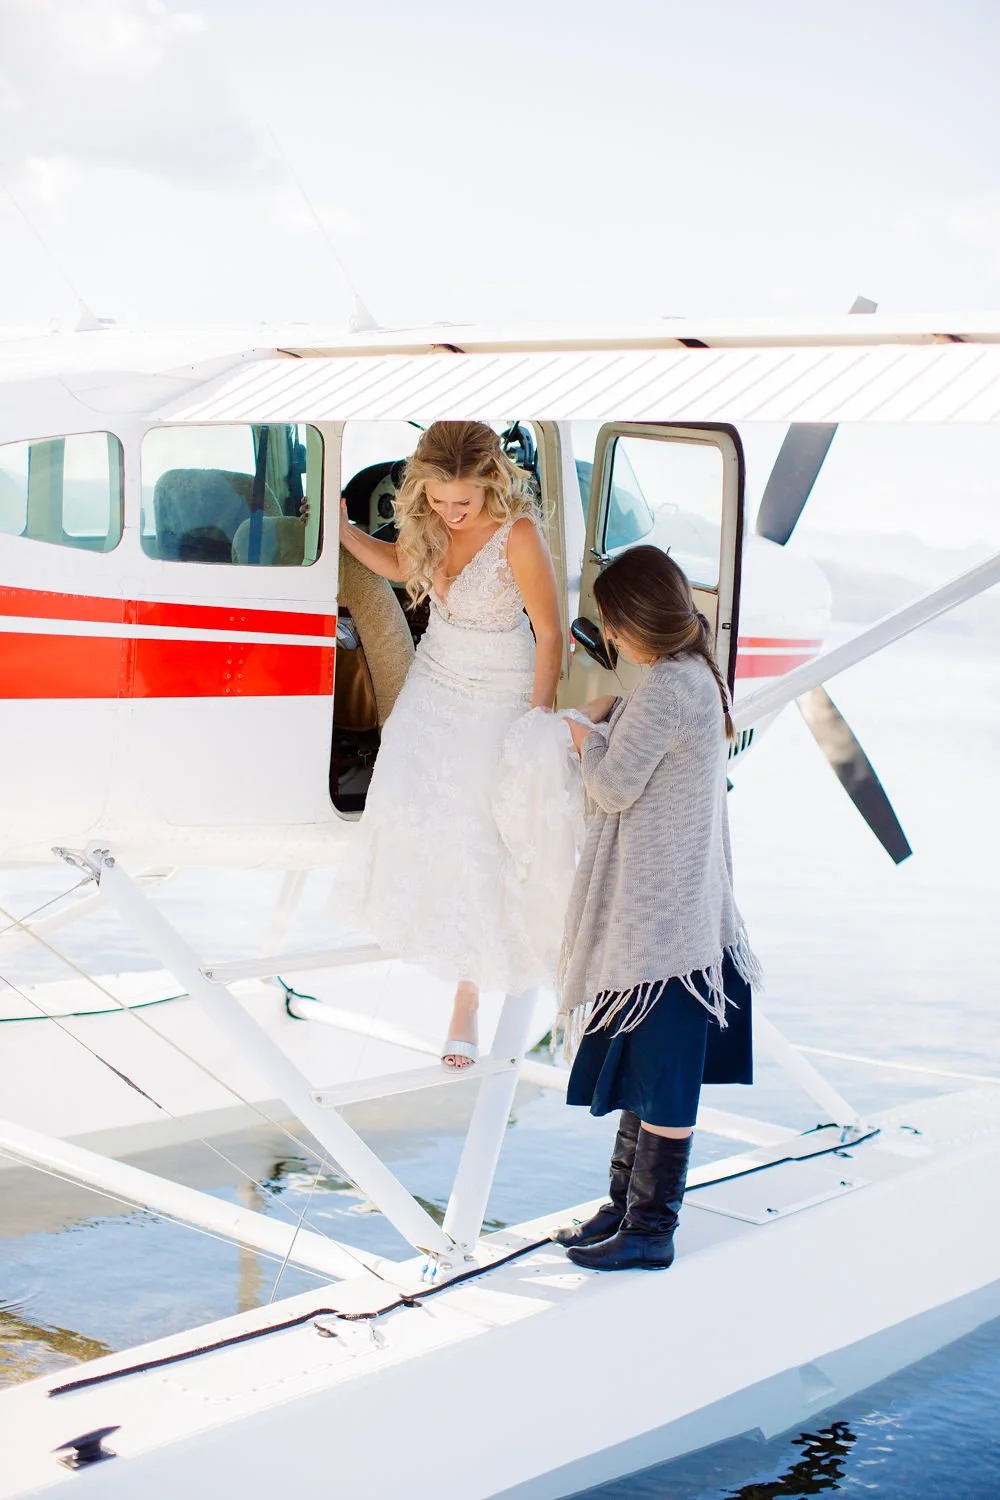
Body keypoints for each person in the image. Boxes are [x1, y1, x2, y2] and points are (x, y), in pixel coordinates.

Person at [552, 545, 760, 1271]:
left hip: (666, 923)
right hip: (684, 912)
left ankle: (650, 1230)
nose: (608, 637)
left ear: (628, 621)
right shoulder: (695, 675)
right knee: (649, 1069)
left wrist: (584, 733)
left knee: (664, 1076)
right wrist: (615, 720)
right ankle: (625, 1210)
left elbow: (610, 788)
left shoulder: (668, 688)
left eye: (610, 623)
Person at [337, 421, 564, 1067]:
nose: (449, 511)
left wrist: (537, 721)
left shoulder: (518, 535)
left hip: (499, 685)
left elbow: (550, 633)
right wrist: (347, 533)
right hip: (437, 674)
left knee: (475, 822)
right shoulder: (431, 522)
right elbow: (402, 563)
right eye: (437, 500)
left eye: (460, 501)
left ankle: (467, 994)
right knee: (403, 792)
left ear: (492, 480)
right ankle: (422, 923)